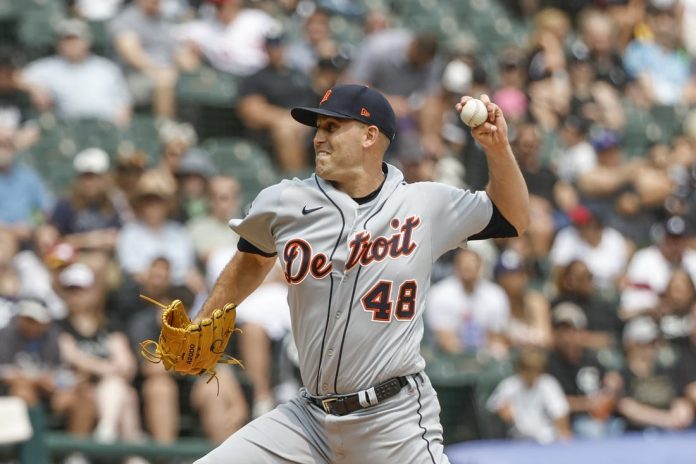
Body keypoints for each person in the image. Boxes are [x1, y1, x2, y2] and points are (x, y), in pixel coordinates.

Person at [190, 84, 529, 463]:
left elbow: (512, 217)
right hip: (308, 420)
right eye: (318, 128)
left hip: (393, 420)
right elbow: (253, 260)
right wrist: (205, 317)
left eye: (332, 127)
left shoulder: (423, 204)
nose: (318, 138)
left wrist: (497, 148)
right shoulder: (285, 201)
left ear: (370, 136)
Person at [21, 19, 132, 126]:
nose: (72, 45)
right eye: (66, 41)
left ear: (87, 42)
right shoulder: (47, 67)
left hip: (105, 125)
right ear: (58, 44)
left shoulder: (107, 68)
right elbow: (16, 78)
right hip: (69, 128)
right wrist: (34, 88)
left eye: (76, 40)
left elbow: (124, 104)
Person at [486, 348, 572, 443]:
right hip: (517, 440)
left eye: (535, 370)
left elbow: (560, 413)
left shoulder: (548, 384)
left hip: (547, 439)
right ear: (520, 369)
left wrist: (564, 436)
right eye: (528, 370)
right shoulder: (509, 385)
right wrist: (503, 411)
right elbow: (495, 406)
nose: (531, 374)